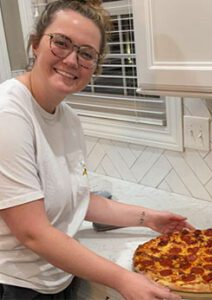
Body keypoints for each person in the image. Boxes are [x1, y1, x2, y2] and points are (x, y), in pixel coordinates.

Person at [0, 1, 194, 299]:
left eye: (87, 53)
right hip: (16, 286)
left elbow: (78, 199)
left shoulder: (69, 120)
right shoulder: (8, 114)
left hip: (62, 275)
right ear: (36, 44)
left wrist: (149, 217)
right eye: (61, 43)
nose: (72, 60)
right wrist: (123, 279)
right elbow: (32, 232)